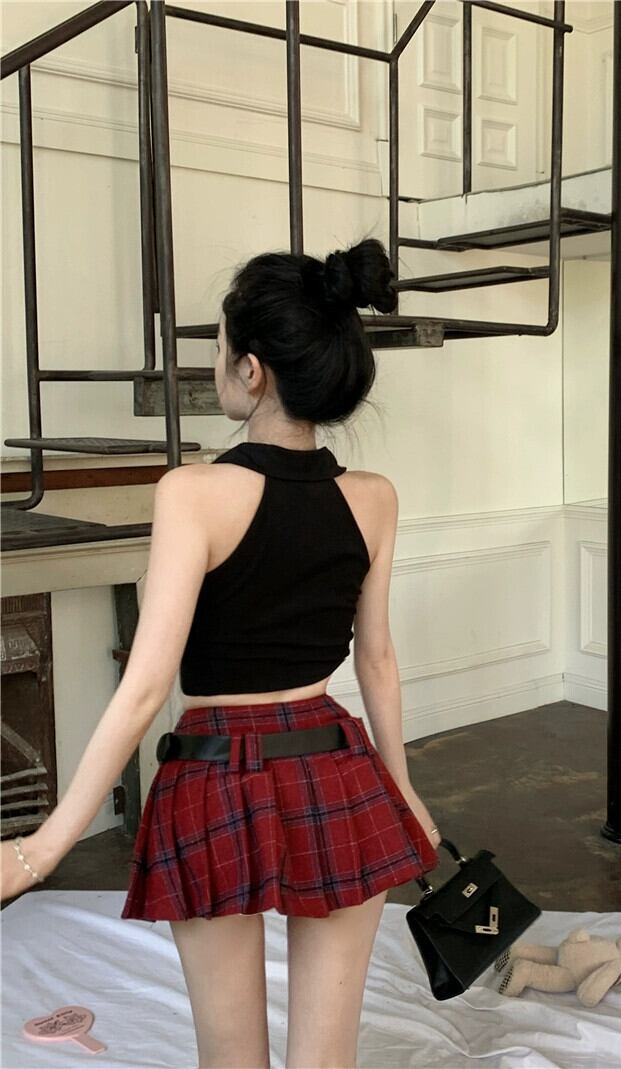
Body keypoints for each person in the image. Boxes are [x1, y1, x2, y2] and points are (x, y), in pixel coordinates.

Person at [1, 237, 442, 1069]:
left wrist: (41, 848)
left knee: (231, 1060)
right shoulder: (374, 498)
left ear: (251, 369)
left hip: (213, 780)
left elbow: (146, 687)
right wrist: (405, 789)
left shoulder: (193, 493)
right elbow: (377, 660)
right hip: (336, 769)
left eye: (218, 347)